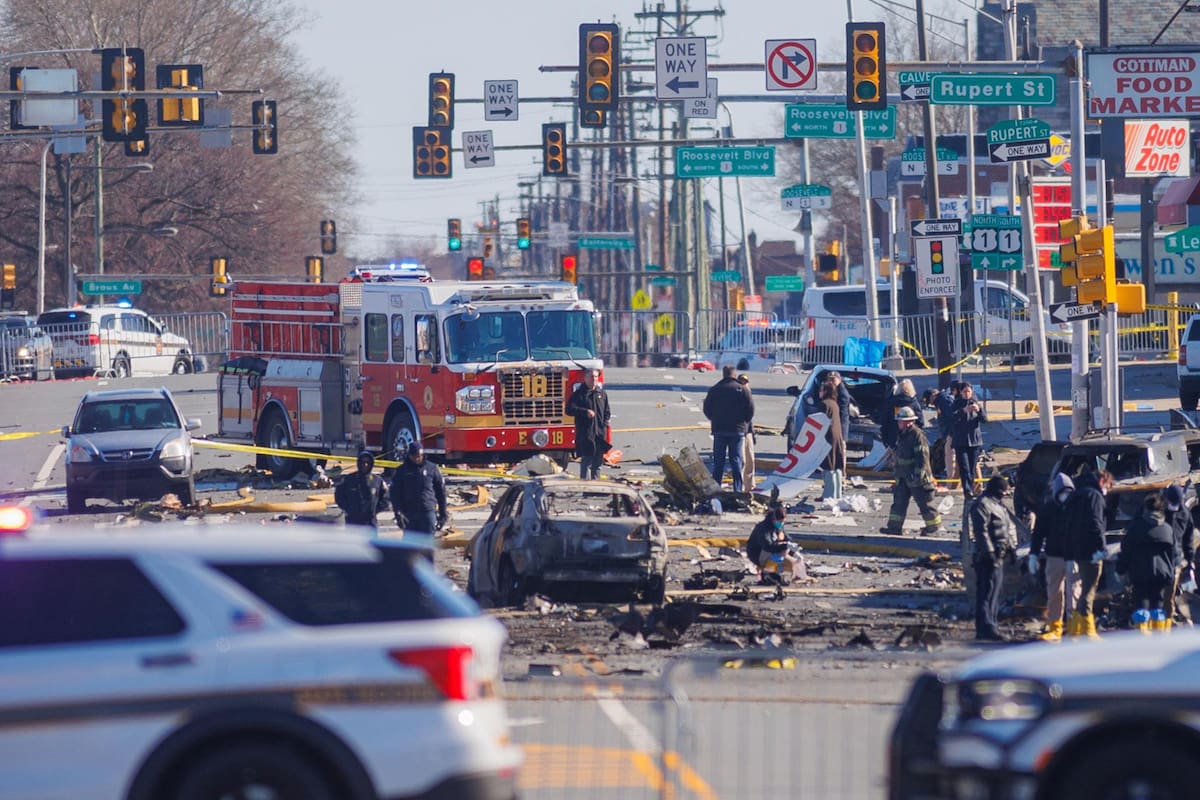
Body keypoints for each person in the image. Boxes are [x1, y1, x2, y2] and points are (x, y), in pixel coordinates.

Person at [1116, 493, 1179, 633]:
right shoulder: (1167, 530)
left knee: (1141, 604)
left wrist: (1120, 569)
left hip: (1140, 574)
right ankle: (1160, 635)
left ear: (1145, 508)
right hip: (1162, 575)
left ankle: (1143, 637)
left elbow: (1126, 550)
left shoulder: (1136, 528)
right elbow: (1175, 555)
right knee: (1158, 604)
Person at [1028, 473, 1078, 642]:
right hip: (1054, 556)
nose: (1066, 495)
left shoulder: (1077, 507)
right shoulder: (1048, 509)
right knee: (1054, 592)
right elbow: (1038, 533)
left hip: (1075, 557)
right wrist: (1033, 554)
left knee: (1074, 593)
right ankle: (1055, 626)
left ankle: (1074, 626)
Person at [1065, 468, 1113, 639]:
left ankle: (1075, 629)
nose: (1109, 490)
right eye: (1109, 485)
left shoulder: (1076, 495)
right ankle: (1088, 630)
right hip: (1091, 550)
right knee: (1089, 590)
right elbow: (1096, 522)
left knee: (1085, 588)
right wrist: (1102, 547)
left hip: (1077, 549)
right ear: (1102, 481)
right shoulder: (1095, 496)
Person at [880, 406, 943, 536]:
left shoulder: (917, 435)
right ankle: (894, 527)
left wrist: (918, 475)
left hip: (916, 477)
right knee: (899, 503)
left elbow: (923, 457)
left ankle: (933, 529)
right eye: (899, 421)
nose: (899, 423)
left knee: (926, 504)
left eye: (901, 421)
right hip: (903, 476)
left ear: (910, 422)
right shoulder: (902, 435)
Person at [971, 475, 1018, 642]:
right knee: (986, 592)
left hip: (999, 555)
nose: (1006, 494)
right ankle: (985, 627)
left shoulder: (998, 505)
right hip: (987, 557)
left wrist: (1012, 549)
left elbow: (1007, 528)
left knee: (995, 593)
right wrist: (989, 552)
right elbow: (981, 531)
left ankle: (992, 623)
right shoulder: (982, 505)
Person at [702, 365, 754, 493]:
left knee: (718, 462)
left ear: (723, 374)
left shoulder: (715, 389)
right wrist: (744, 422)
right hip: (737, 430)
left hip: (719, 429)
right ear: (735, 375)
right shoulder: (742, 390)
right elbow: (750, 409)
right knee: (736, 460)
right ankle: (737, 490)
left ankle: (716, 490)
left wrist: (714, 420)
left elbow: (707, 408)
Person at [388, 442, 448, 534]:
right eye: (414, 456)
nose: (417, 458)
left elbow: (441, 492)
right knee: (410, 545)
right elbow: (395, 494)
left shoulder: (432, 468)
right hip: (409, 513)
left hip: (427, 511)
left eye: (419, 456)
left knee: (427, 545)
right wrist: (398, 513)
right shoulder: (402, 471)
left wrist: (443, 514)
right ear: (409, 455)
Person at [566, 367, 611, 480]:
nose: (594, 379)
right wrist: (585, 412)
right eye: (591, 376)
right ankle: (584, 486)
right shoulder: (579, 394)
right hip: (585, 433)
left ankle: (596, 487)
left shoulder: (602, 394)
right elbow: (569, 410)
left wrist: (604, 424)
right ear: (585, 378)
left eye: (596, 376)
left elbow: (607, 412)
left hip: (600, 433)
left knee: (598, 463)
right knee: (587, 461)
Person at [1161, 484, 1195, 626]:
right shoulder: (1159, 510)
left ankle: (1166, 624)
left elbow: (1188, 539)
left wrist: (1189, 560)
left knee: (1169, 595)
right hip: (1158, 559)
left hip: (1174, 560)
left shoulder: (1185, 513)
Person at [745, 506, 803, 584]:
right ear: (773, 519)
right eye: (780, 522)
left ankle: (793, 575)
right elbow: (768, 546)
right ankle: (768, 573)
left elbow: (786, 538)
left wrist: (791, 546)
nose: (781, 524)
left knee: (798, 559)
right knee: (784, 559)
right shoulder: (763, 528)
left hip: (774, 551)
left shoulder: (778, 526)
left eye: (783, 522)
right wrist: (785, 546)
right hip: (758, 554)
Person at [334, 450, 389, 530]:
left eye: (367, 462)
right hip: (353, 522)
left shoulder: (377, 481)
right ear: (358, 463)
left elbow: (386, 498)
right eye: (363, 462)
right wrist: (348, 509)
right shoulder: (349, 480)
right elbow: (339, 495)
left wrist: (375, 510)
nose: (365, 465)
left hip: (370, 522)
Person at [951, 382, 987, 499]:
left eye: (969, 392)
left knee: (972, 467)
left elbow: (985, 419)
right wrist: (963, 411)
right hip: (961, 441)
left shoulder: (976, 403)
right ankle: (967, 490)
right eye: (965, 391)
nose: (967, 394)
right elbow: (951, 419)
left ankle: (971, 488)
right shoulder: (956, 404)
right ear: (961, 392)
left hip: (974, 441)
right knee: (964, 467)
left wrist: (979, 411)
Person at [880, 378, 925, 451]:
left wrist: (885, 440)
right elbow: (920, 422)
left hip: (894, 439)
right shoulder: (914, 404)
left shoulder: (891, 403)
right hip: (912, 439)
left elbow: (885, 422)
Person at [820, 379, 844, 500]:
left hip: (827, 436)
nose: (820, 392)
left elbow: (821, 421)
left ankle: (829, 495)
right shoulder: (835, 404)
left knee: (828, 464)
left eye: (821, 390)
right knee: (837, 464)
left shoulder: (825, 404)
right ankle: (837, 494)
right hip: (837, 435)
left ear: (825, 392)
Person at [934, 382, 961, 480]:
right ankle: (953, 480)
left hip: (952, 433)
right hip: (953, 433)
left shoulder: (943, 400)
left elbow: (950, 417)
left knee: (951, 457)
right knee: (953, 457)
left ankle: (951, 481)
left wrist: (948, 433)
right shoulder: (946, 399)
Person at [737, 373, 756, 492]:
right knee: (742, 460)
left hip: (748, 431)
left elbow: (750, 416)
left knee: (750, 460)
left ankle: (750, 487)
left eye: (745, 382)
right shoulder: (736, 395)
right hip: (739, 431)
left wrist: (752, 433)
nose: (744, 384)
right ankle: (741, 487)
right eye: (741, 382)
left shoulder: (749, 395)